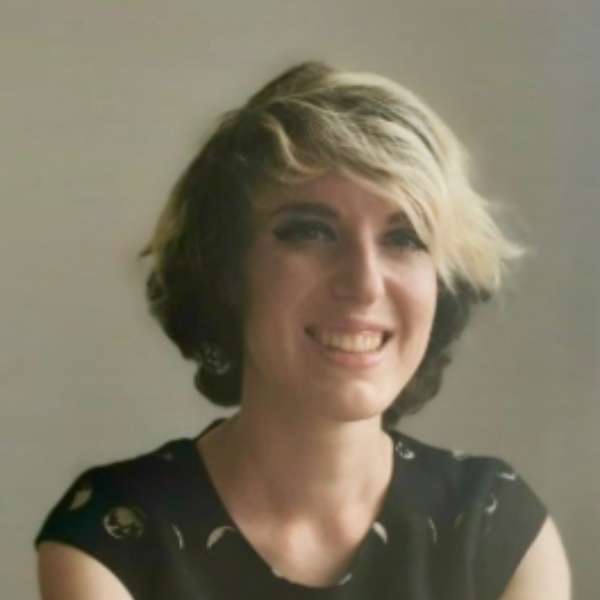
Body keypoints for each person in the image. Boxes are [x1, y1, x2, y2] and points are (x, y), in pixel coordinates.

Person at [35, 61, 571, 599]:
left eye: (405, 239)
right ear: (226, 271)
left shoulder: (497, 529)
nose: (364, 284)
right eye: (310, 232)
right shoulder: (115, 538)